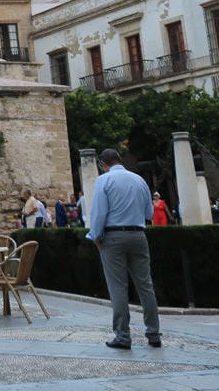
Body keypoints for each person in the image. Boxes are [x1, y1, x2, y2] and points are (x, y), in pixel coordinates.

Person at [87, 148, 161, 350]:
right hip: (138, 234)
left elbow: (98, 213)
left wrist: (96, 236)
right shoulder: (139, 180)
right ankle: (154, 333)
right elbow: (149, 213)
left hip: (113, 236)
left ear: (103, 164)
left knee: (118, 287)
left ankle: (123, 336)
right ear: (119, 160)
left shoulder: (104, 180)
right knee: (145, 285)